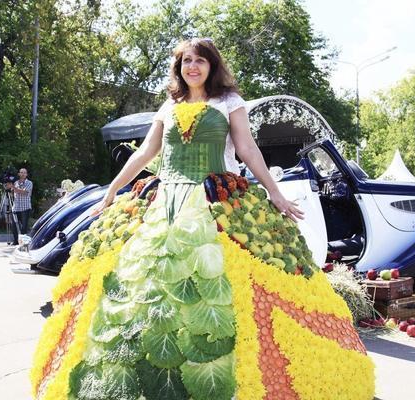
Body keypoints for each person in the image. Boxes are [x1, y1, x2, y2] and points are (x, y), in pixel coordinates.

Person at [30, 38, 374, 400]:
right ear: (179, 68)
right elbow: (148, 152)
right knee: (139, 280)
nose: (192, 67)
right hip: (164, 201)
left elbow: (247, 148)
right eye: (186, 61)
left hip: (216, 199)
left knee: (222, 279)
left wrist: (275, 192)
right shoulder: (169, 106)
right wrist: (113, 190)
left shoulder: (229, 103)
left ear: (212, 66)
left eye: (200, 61)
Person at [11, 167, 32, 244]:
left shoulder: (29, 183)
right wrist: (8, 186)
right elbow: (11, 192)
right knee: (14, 226)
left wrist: (13, 187)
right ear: (19, 174)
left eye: (24, 172)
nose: (23, 174)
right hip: (16, 207)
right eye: (21, 172)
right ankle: (16, 241)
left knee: (24, 227)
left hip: (25, 208)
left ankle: (23, 242)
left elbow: (24, 192)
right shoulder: (15, 182)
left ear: (26, 174)